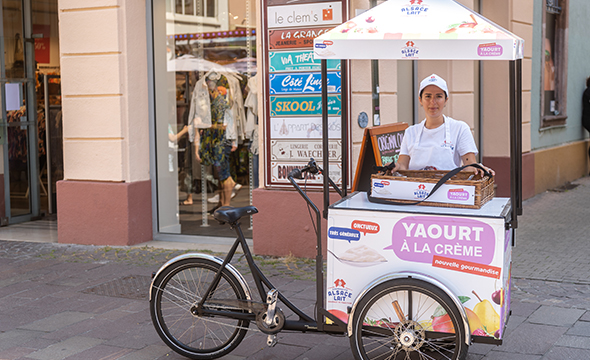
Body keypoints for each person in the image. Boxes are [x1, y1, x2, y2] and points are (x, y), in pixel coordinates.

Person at [390, 74, 494, 177]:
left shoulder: (460, 128)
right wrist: (395, 166)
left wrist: (478, 169)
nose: (433, 102)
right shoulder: (411, 132)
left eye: (438, 96)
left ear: (446, 100)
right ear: (420, 100)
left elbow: (469, 164)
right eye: (428, 96)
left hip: (448, 190)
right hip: (415, 190)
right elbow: (403, 165)